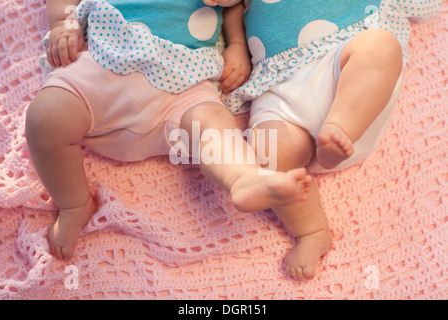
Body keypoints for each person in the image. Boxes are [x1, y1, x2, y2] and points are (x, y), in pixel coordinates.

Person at [25, 0, 312, 261]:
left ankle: (243, 178)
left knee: (212, 126)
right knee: (45, 118)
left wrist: (237, 45)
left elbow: (234, 7)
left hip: (184, 84)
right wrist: (65, 23)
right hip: (107, 61)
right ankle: (74, 204)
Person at [221, 0, 442, 280]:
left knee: (380, 45)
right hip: (278, 84)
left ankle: (339, 127)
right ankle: (311, 231)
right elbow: (228, 7)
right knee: (268, 146)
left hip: (344, 60)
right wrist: (237, 46)